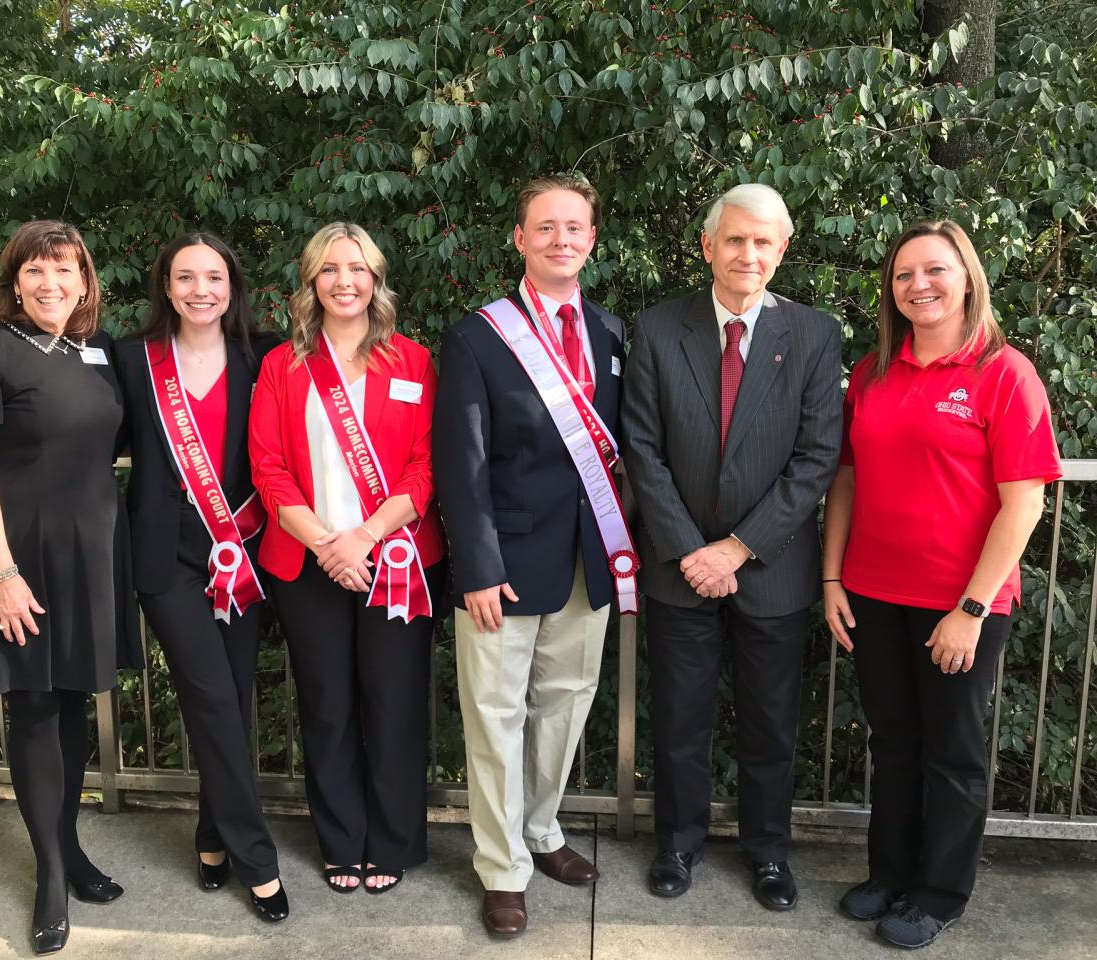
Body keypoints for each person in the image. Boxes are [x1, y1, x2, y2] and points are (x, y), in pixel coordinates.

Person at [822, 221, 1060, 949]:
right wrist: (831, 576)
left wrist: (970, 608)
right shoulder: (871, 372)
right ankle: (889, 874)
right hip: (871, 592)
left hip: (961, 604)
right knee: (892, 742)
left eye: (934, 270)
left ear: (966, 279)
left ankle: (939, 892)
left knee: (951, 753)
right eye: (903, 275)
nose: (918, 285)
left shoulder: (1003, 372)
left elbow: (1025, 500)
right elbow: (845, 481)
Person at [622, 183, 841, 911]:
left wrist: (737, 549)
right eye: (736, 240)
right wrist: (693, 549)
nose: (749, 254)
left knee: (771, 722)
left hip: (771, 569)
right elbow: (642, 450)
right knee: (680, 718)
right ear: (708, 245)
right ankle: (677, 843)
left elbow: (816, 458)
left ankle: (768, 852)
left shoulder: (813, 334)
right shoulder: (656, 328)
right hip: (678, 567)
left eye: (764, 242)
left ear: (783, 250)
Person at [434, 176, 632, 938]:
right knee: (493, 718)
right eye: (544, 227)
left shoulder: (613, 333)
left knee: (565, 707)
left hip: (590, 559)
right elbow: (461, 462)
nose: (561, 239)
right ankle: (500, 866)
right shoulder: (478, 335)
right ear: (519, 239)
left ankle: (542, 831)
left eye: (574, 227)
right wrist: (475, 566)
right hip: (505, 565)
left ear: (591, 238)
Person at [0, 220, 142, 955]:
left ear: (86, 281)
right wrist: (0, 574)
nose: (50, 283)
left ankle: (72, 848)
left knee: (72, 706)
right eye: (35, 271)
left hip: (92, 554)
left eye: (64, 270)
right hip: (20, 555)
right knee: (33, 705)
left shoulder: (98, 355)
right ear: (14, 281)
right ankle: (52, 875)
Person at [249, 222, 444, 896]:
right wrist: (328, 545)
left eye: (357, 269)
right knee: (327, 708)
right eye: (330, 270)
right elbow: (268, 470)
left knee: (394, 704)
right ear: (311, 282)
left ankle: (391, 840)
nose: (345, 282)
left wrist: (364, 537)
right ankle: (341, 840)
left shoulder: (413, 362)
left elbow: (425, 469)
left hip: (396, 561)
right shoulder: (282, 366)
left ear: (376, 280)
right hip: (309, 566)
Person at [113, 233, 288, 923]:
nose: (200, 290)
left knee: (234, 698)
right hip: (166, 557)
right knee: (212, 697)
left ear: (232, 284)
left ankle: (212, 839)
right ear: (164, 285)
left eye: (213, 277)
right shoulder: (131, 360)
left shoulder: (264, 353)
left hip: (239, 548)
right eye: (184, 277)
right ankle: (258, 860)